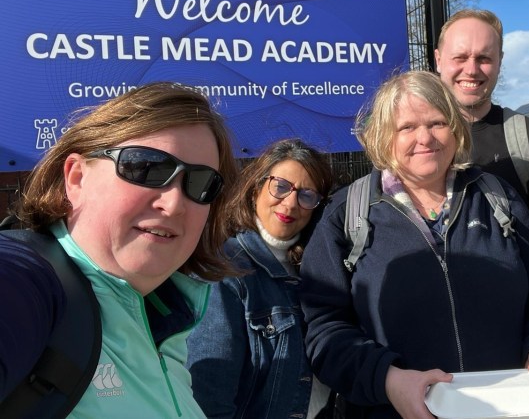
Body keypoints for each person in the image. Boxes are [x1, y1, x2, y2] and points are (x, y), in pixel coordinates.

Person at [300, 70, 529, 419]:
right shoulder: (348, 214)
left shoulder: (498, 198)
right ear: (384, 137)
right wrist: (386, 379)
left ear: (456, 129)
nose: (425, 137)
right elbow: (323, 327)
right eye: (407, 127)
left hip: (504, 409)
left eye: (437, 123)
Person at [0, 82, 239, 418]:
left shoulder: (168, 321)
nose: (174, 204)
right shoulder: (26, 282)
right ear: (76, 178)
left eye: (201, 183)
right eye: (145, 168)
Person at [187, 138, 334, 419]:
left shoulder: (317, 268)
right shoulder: (226, 272)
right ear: (256, 189)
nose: (290, 203)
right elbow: (209, 397)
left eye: (307, 195)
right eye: (281, 186)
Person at [434, 8, 529, 238]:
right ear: (438, 60)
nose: (471, 70)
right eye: (460, 57)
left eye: (484, 58)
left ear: (499, 62)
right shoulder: (412, 142)